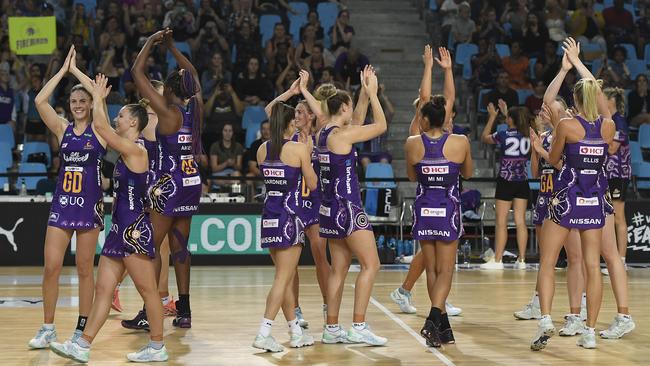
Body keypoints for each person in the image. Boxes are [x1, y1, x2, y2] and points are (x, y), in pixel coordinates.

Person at [50, 74, 168, 363]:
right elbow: (104, 125)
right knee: (103, 289)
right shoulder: (123, 151)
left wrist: (98, 96)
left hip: (135, 232)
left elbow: (100, 124)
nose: (118, 117)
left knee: (148, 290)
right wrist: (88, 84)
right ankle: (83, 344)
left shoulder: (136, 150)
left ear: (133, 123)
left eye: (123, 115)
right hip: (118, 230)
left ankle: (157, 346)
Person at [531, 37, 615, 351]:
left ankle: (546, 319)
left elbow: (553, 161)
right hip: (593, 200)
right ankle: (590, 331)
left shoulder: (566, 125)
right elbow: (600, 97)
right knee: (593, 267)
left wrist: (541, 149)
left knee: (548, 261)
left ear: (575, 101)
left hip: (565, 198)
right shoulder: (607, 127)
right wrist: (578, 65)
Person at [123, 29, 202, 330]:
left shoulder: (168, 114)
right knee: (180, 247)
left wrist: (151, 42)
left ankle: (149, 310)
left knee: (148, 247)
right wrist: (171, 46)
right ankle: (184, 310)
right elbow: (192, 72)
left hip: (168, 188)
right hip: (191, 184)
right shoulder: (195, 110)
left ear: (168, 90)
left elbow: (136, 71)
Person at [28, 46, 106, 349]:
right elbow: (39, 100)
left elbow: (99, 96)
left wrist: (77, 72)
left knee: (86, 269)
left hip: (89, 206)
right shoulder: (62, 129)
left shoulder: (100, 131)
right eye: (73, 101)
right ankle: (47, 327)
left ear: (89, 104)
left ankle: (80, 327)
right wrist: (62, 71)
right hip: (63, 203)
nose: (77, 105)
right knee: (51, 266)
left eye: (82, 101)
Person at [316, 67, 388, 346]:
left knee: (339, 269)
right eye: (350, 108)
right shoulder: (342, 137)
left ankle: (331, 328)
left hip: (329, 209)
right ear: (342, 107)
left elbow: (356, 119)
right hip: (348, 208)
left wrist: (363, 93)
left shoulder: (325, 132)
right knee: (372, 264)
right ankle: (359, 325)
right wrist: (374, 95)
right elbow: (380, 127)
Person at [392, 46, 463, 318]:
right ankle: (436, 307)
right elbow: (425, 97)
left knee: (444, 263)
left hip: (449, 193)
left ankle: (439, 303)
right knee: (434, 263)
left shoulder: (445, 128)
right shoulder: (416, 132)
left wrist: (447, 70)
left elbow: (451, 96)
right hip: (430, 197)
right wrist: (429, 67)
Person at [406, 96, 473, 347]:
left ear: (424, 119)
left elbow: (412, 176)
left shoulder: (412, 143)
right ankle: (434, 319)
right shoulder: (460, 142)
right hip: (448, 209)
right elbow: (467, 173)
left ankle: (442, 326)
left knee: (432, 269)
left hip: (424, 208)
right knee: (446, 270)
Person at [252, 103, 317, 352]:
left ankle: (295, 332)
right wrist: (308, 154)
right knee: (282, 279)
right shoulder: (298, 149)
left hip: (269, 217)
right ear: (291, 123)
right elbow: (311, 184)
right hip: (289, 218)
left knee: (286, 279)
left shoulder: (261, 150)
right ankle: (264, 332)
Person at [112, 81, 177, 318]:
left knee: (160, 244)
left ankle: (163, 296)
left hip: (156, 181)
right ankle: (156, 297)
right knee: (147, 245)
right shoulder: (152, 118)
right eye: (162, 93)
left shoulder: (159, 115)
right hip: (149, 182)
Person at [480, 100, 532, 269]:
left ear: (510, 120)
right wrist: (506, 113)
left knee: (501, 222)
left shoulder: (503, 134)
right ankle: (522, 260)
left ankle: (498, 260)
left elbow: (485, 138)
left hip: (505, 180)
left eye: (508, 117)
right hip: (522, 181)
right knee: (520, 222)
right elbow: (518, 121)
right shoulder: (529, 134)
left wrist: (493, 117)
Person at [603, 87, 631, 273]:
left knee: (618, 217)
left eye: (603, 98)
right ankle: (613, 259)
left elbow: (612, 149)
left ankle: (621, 260)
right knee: (609, 217)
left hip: (618, 174)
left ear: (611, 101)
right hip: (607, 174)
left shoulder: (619, 121)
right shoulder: (608, 121)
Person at [209, 122, 244, 187]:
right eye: (225, 131)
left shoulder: (238, 146)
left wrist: (233, 164)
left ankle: (228, 186)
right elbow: (214, 169)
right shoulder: (215, 146)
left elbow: (239, 168)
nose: (227, 133)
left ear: (233, 132)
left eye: (230, 131)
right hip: (219, 174)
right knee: (234, 180)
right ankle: (229, 185)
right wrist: (226, 164)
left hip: (233, 173)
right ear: (222, 132)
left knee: (237, 174)